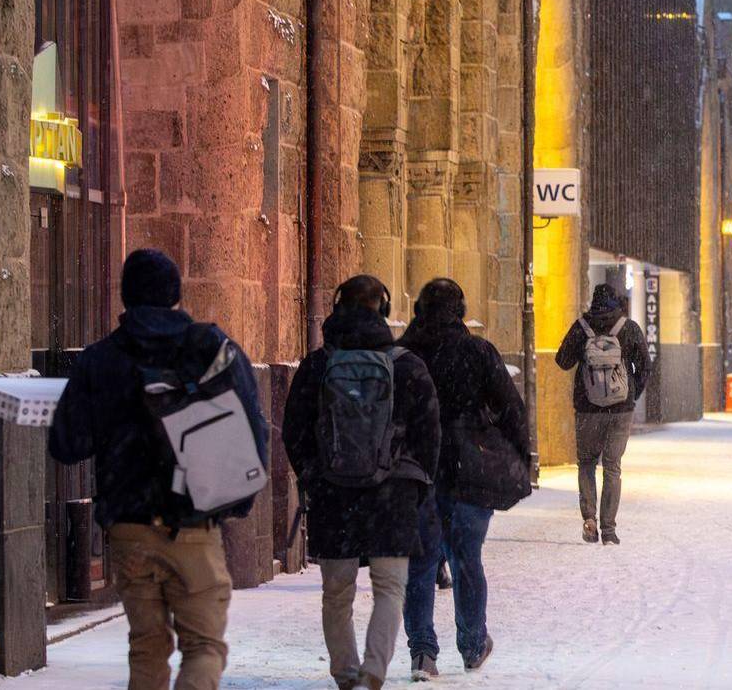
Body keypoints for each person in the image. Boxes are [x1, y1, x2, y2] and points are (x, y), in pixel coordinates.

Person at [47, 249, 268, 690]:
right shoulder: (208, 348)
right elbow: (252, 423)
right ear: (175, 294)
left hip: (129, 527)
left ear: (125, 296)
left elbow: (67, 444)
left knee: (146, 646)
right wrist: (238, 498)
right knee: (204, 646)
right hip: (193, 520)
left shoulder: (101, 359)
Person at [284, 276, 441, 690]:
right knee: (390, 587)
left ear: (337, 308)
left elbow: (293, 430)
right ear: (384, 310)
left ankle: (345, 673)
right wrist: (415, 483)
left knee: (337, 592)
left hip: (334, 494)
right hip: (393, 494)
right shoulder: (407, 365)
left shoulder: (318, 365)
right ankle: (374, 669)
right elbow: (430, 434)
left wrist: (314, 474)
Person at [397, 278, 531, 681]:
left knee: (419, 564)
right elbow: (512, 409)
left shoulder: (404, 354)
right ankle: (472, 645)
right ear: (460, 309)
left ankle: (422, 651)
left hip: (417, 470)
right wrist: (519, 457)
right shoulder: (477, 353)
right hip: (468, 470)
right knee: (467, 558)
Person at [555, 283, 650, 544]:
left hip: (588, 409)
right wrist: (631, 393)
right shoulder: (627, 328)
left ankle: (589, 518)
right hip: (621, 410)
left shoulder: (582, 327)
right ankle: (608, 530)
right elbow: (644, 366)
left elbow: (562, 361)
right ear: (616, 302)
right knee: (612, 467)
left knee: (586, 463)